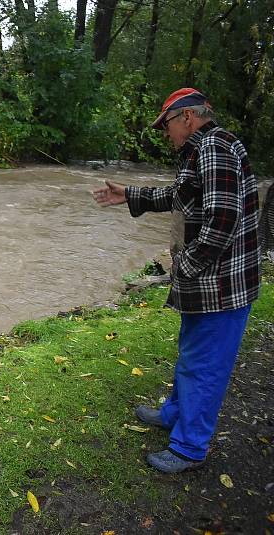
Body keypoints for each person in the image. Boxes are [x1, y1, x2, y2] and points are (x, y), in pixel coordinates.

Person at [92, 88, 261, 473]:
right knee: (191, 353)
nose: (164, 133)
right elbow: (181, 196)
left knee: (205, 366)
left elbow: (221, 219)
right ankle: (174, 414)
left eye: (166, 124)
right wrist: (130, 195)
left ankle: (189, 448)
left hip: (222, 286)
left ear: (186, 117)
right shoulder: (201, 150)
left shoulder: (214, 149)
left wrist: (186, 267)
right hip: (210, 281)